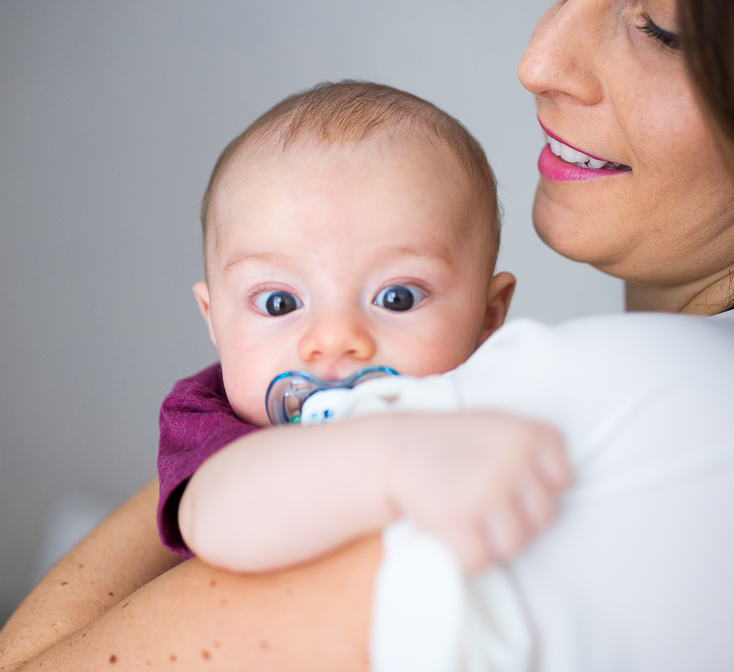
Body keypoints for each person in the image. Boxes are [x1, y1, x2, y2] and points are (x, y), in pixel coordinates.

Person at [0, 0, 734, 669]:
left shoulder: (649, 405)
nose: (537, 62)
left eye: (663, 26)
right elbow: (218, 505)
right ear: (211, 315)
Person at [159, 80, 572, 573]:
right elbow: (218, 517)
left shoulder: (501, 396)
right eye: (278, 303)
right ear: (214, 319)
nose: (334, 339)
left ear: (488, 318)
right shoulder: (213, 419)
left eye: (397, 298)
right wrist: (394, 462)